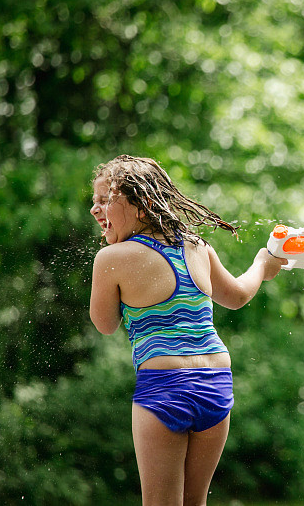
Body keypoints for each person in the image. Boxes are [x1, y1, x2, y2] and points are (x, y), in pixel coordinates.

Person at [89, 155, 286, 505]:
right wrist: (262, 265)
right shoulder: (196, 246)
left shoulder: (111, 258)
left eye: (105, 200)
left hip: (164, 389)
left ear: (143, 206)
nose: (94, 210)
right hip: (217, 385)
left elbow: (105, 324)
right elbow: (238, 296)